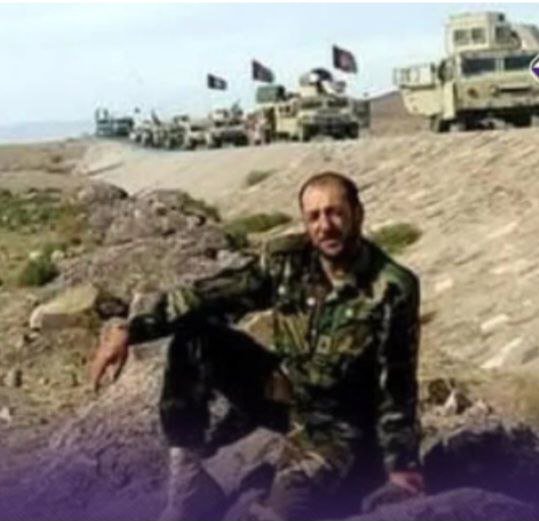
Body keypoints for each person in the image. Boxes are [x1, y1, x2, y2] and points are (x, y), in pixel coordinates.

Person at [91, 171, 424, 521]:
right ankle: (190, 487)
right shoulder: (287, 261)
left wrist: (403, 467)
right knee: (194, 338)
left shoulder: (392, 287)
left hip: (338, 426)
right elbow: (212, 295)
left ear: (358, 213)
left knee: (285, 510)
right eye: (314, 216)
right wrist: (130, 330)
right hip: (284, 395)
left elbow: (398, 382)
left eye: (335, 213)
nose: (325, 226)